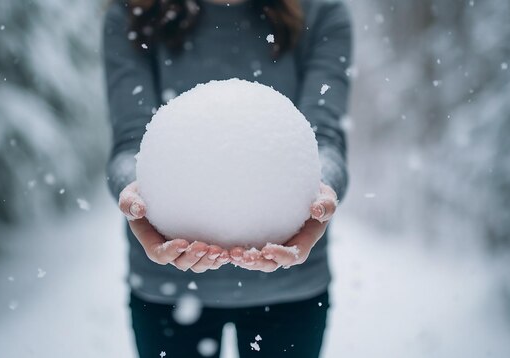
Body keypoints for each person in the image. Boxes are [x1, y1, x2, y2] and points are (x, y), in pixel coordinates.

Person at [103, 0, 351, 356]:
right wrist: (133, 195)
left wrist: (319, 192)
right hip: (168, 289)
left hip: (290, 287)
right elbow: (131, 145)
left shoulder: (320, 11)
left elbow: (323, 140)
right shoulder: (135, 12)